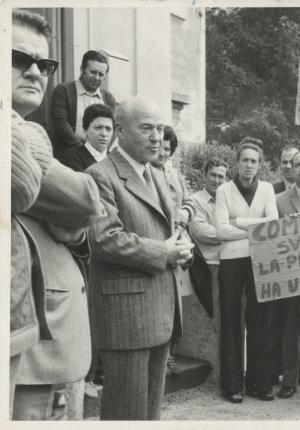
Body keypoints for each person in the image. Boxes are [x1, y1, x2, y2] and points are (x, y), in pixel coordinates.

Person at [11, 9, 105, 419]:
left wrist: (68, 226)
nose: (34, 72)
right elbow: (86, 197)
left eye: (44, 64)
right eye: (18, 58)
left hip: (45, 345)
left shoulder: (27, 131)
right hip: (27, 353)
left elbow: (82, 214)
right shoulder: (20, 136)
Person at [86, 96, 195, 420]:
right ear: (120, 130)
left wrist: (182, 247)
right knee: (126, 413)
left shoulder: (157, 173)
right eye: (146, 128)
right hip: (126, 318)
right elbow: (104, 238)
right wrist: (164, 252)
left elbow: (169, 227)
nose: (157, 137)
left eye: (160, 129)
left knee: (149, 414)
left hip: (159, 311)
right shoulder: (100, 174)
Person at [215, 140, 278, 403]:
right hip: (230, 261)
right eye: (244, 160)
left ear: (259, 164)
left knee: (260, 321)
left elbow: (273, 225)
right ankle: (232, 385)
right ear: (237, 162)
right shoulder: (224, 190)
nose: (249, 165)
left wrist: (238, 223)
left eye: (254, 161)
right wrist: (257, 227)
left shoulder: (267, 189)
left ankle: (258, 383)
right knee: (231, 321)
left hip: (259, 260)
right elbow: (220, 231)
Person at [150, 125, 198, 375]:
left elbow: (190, 200)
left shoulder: (174, 174)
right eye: (159, 148)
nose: (163, 153)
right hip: (158, 243)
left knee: (175, 301)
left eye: (167, 149)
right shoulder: (146, 173)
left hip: (178, 241)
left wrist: (186, 213)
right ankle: (160, 354)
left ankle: (169, 352)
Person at [270, 150, 300, 399]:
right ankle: (289, 379)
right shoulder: (277, 200)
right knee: (290, 327)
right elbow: (269, 237)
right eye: (297, 164)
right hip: (290, 274)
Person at [188, 157, 228, 382]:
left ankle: (225, 371)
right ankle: (214, 373)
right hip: (207, 267)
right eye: (213, 175)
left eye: (221, 176)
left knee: (230, 322)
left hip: (229, 265)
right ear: (205, 175)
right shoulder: (194, 201)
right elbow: (201, 233)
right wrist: (232, 235)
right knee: (213, 319)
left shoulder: (229, 199)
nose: (217, 180)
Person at [50, 50, 116, 159]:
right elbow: (61, 123)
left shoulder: (108, 98)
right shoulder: (63, 91)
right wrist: (85, 152)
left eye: (101, 74)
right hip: (67, 156)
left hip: (98, 158)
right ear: (82, 69)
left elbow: (113, 127)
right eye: (93, 72)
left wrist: (103, 149)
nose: (96, 77)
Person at [61, 103, 114, 171]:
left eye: (108, 129)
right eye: (98, 128)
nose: (104, 134)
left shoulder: (114, 159)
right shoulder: (71, 158)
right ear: (85, 130)